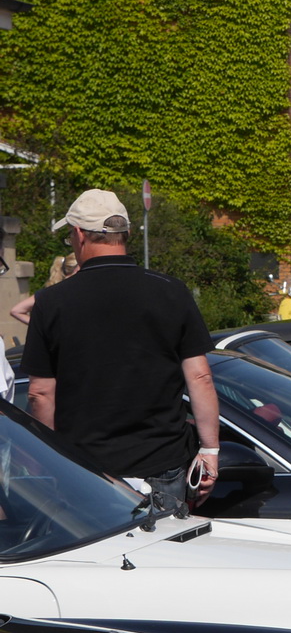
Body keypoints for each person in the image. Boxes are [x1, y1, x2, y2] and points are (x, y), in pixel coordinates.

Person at [21, 189, 220, 516]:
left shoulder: (51, 303)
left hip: (84, 471)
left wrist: (53, 461)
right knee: (168, 561)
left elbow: (41, 393)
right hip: (163, 464)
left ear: (80, 235)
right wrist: (210, 450)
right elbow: (200, 377)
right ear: (124, 234)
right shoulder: (171, 291)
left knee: (99, 563)